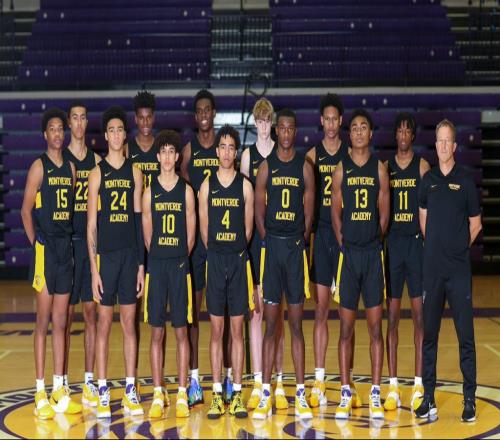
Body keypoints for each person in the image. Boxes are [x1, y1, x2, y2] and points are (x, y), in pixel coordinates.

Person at [415, 119, 482, 422]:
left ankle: (470, 400)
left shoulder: (465, 181)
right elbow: (423, 218)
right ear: (436, 144)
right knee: (429, 336)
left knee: (465, 337)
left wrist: (456, 248)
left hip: (458, 272)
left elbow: (475, 225)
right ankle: (428, 398)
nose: (443, 145)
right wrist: (436, 248)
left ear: (455, 146)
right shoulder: (427, 180)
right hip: (432, 271)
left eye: (447, 141)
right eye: (439, 140)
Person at [253, 108, 315, 420]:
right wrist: (269, 239)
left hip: (294, 250)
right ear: (276, 131)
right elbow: (258, 210)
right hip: (273, 249)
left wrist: (297, 241)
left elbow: (309, 212)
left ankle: (300, 393)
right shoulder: (267, 167)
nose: (287, 133)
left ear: (295, 131)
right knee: (270, 325)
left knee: (296, 325)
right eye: (283, 129)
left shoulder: (305, 167)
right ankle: (266, 392)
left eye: (292, 129)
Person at [21, 107, 82, 419]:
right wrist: (36, 245)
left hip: (65, 249)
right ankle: (39, 391)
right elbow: (25, 210)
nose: (58, 133)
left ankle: (59, 389)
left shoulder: (71, 168)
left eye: (61, 128)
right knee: (42, 322)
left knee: (61, 322)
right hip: (45, 251)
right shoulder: (38, 167)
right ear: (45, 134)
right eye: (53, 129)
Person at [331, 109, 390, 420]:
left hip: (372, 255)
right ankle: (345, 392)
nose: (357, 132)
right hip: (350, 256)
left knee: (375, 328)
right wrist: (346, 240)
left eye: (362, 127)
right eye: (353, 127)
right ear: (349, 133)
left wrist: (372, 239)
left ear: (370, 133)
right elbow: (334, 211)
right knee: (346, 328)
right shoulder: (341, 169)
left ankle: (376, 393)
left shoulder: (379, 169)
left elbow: (384, 214)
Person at [87, 106, 145, 418]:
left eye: (120, 129)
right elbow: (90, 226)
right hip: (106, 259)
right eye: (111, 130)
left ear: (125, 135)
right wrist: (94, 269)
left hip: (129, 257)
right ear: (106, 135)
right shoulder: (97, 174)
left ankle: (130, 390)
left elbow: (138, 222)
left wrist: (141, 266)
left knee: (128, 325)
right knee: (103, 325)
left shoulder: (135, 173)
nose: (116, 134)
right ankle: (102, 389)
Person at [305, 93, 360, 408]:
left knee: (347, 314)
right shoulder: (312, 156)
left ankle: (347, 380)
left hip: (346, 239)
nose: (329, 124)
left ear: (341, 121)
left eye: (334, 119)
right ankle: (319, 379)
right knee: (322, 310)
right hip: (322, 236)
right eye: (325, 119)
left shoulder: (351, 155)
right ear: (321, 121)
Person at [180, 89, 233, 406]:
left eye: (207, 110)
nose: (203, 115)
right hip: (196, 244)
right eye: (198, 110)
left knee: (223, 314)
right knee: (193, 314)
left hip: (222, 242)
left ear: (213, 113)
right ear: (195, 115)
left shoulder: (224, 147)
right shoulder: (188, 151)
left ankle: (226, 377)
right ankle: (195, 379)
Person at [199, 125, 254, 419]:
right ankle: (217, 395)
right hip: (216, 260)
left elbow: (248, 230)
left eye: (232, 147)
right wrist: (218, 250)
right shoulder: (207, 186)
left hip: (237, 260)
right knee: (216, 331)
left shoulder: (245, 186)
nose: (227, 152)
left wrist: (233, 249)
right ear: (217, 151)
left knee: (236, 331)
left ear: (236, 152)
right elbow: (204, 229)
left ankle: (237, 395)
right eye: (223, 146)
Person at [142, 130, 196, 418]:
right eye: (162, 151)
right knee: (156, 332)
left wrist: (177, 257)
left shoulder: (186, 191)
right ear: (157, 156)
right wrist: (160, 255)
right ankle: (157, 392)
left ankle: (182, 393)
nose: (166, 156)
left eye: (171, 152)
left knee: (181, 331)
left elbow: (191, 235)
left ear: (177, 157)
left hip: (179, 267)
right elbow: (147, 236)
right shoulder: (149, 192)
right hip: (157, 267)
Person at [240, 97, 287, 411]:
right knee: (257, 311)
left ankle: (279, 381)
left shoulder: (283, 153)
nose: (263, 126)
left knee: (277, 313)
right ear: (254, 123)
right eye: (259, 121)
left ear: (273, 122)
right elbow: (245, 202)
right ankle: (259, 380)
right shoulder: (247, 156)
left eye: (267, 121)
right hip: (256, 241)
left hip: (280, 236)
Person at [384, 113, 430, 412]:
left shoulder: (422, 167)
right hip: (392, 246)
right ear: (395, 135)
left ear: (412, 136)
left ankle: (418, 383)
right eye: (398, 130)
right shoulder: (385, 167)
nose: (402, 135)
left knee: (418, 317)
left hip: (415, 245)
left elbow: (430, 209)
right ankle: (392, 386)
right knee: (392, 318)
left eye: (407, 131)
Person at [62, 101, 102, 407]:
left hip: (88, 246)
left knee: (90, 314)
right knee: (64, 317)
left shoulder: (97, 162)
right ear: (68, 123)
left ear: (87, 123)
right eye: (74, 118)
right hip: (64, 245)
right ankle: (61, 382)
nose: (78, 123)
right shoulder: (59, 160)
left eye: (82, 118)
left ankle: (89, 381)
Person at [125, 90, 160, 399]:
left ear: (154, 118)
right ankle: (132, 378)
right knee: (133, 312)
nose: (146, 122)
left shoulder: (163, 148)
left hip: (161, 237)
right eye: (141, 118)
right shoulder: (126, 149)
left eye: (150, 117)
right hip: (135, 235)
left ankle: (159, 381)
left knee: (160, 316)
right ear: (136, 120)